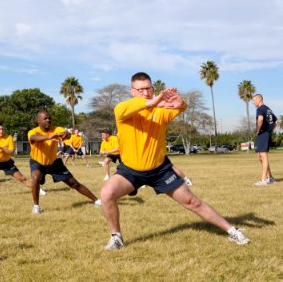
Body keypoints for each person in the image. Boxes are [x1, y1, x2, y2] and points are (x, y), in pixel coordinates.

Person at [100, 72, 250, 250]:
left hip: (159, 169)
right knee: (106, 195)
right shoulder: (122, 109)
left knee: (192, 202)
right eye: (141, 89)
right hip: (131, 170)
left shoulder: (160, 112)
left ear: (152, 88)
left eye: (149, 88)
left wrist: (179, 102)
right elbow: (147, 103)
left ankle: (232, 231)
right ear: (132, 91)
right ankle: (116, 236)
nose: (145, 92)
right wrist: (159, 100)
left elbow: (179, 106)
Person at [28, 110, 101, 214]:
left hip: (54, 162)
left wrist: (65, 134)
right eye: (45, 118)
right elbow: (33, 138)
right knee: (36, 177)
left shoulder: (56, 129)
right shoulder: (33, 131)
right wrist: (48, 137)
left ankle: (97, 200)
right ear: (38, 120)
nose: (48, 120)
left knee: (74, 183)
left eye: (49, 118)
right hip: (37, 161)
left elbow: (67, 135)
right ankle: (36, 206)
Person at [0, 124, 47, 198]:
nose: (1, 131)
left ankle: (38, 189)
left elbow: (11, 152)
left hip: (7, 163)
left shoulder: (9, 138)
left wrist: (2, 148)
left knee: (22, 179)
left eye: (2, 129)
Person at [252, 94, 277, 186]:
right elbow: (275, 121)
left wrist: (259, 130)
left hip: (263, 134)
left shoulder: (260, 109)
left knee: (263, 156)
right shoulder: (268, 109)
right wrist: (270, 129)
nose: (253, 103)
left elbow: (260, 119)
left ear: (259, 100)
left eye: (254, 101)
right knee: (260, 156)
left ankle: (263, 180)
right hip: (264, 134)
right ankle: (270, 177)